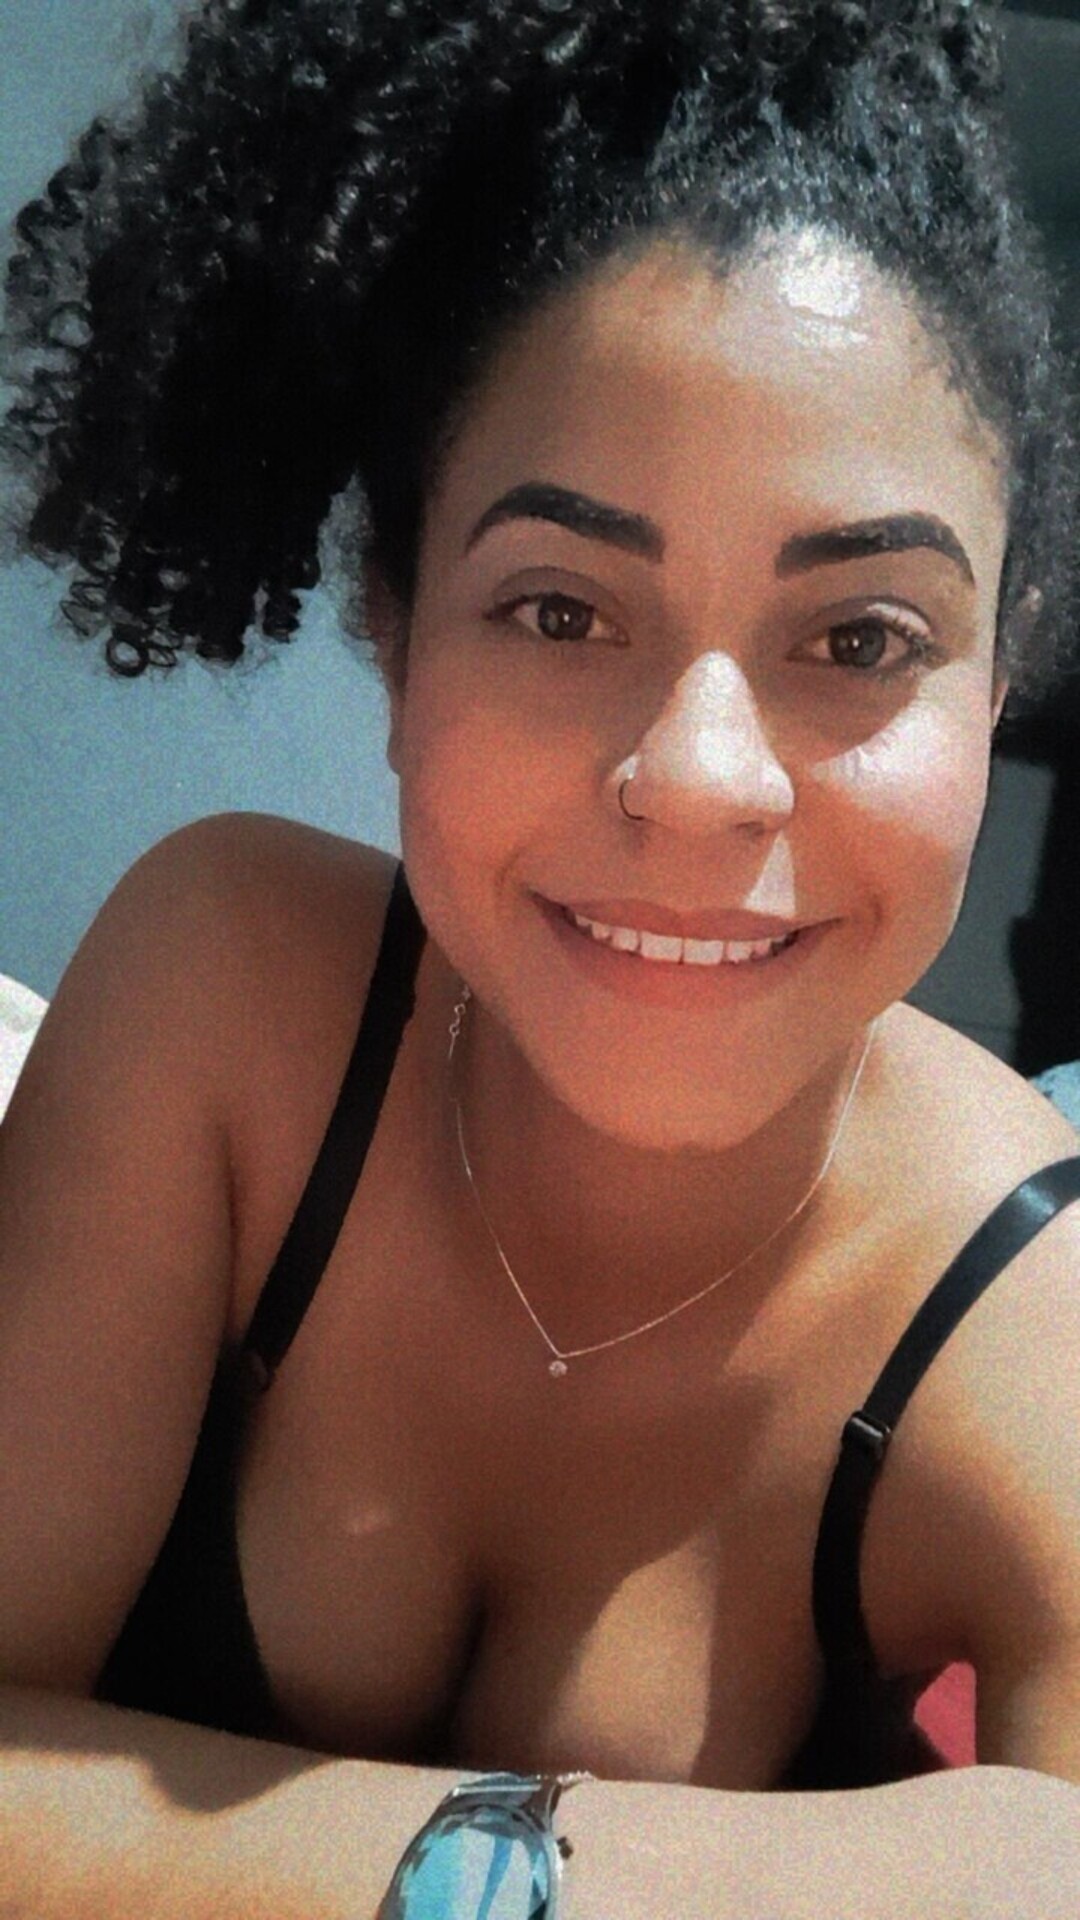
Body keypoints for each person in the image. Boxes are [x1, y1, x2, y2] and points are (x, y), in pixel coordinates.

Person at [1, 0, 1078, 1913]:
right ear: (395, 623)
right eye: (562, 608)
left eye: (864, 638)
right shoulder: (226, 996)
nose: (701, 780)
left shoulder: (1023, 1313)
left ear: (999, 678)